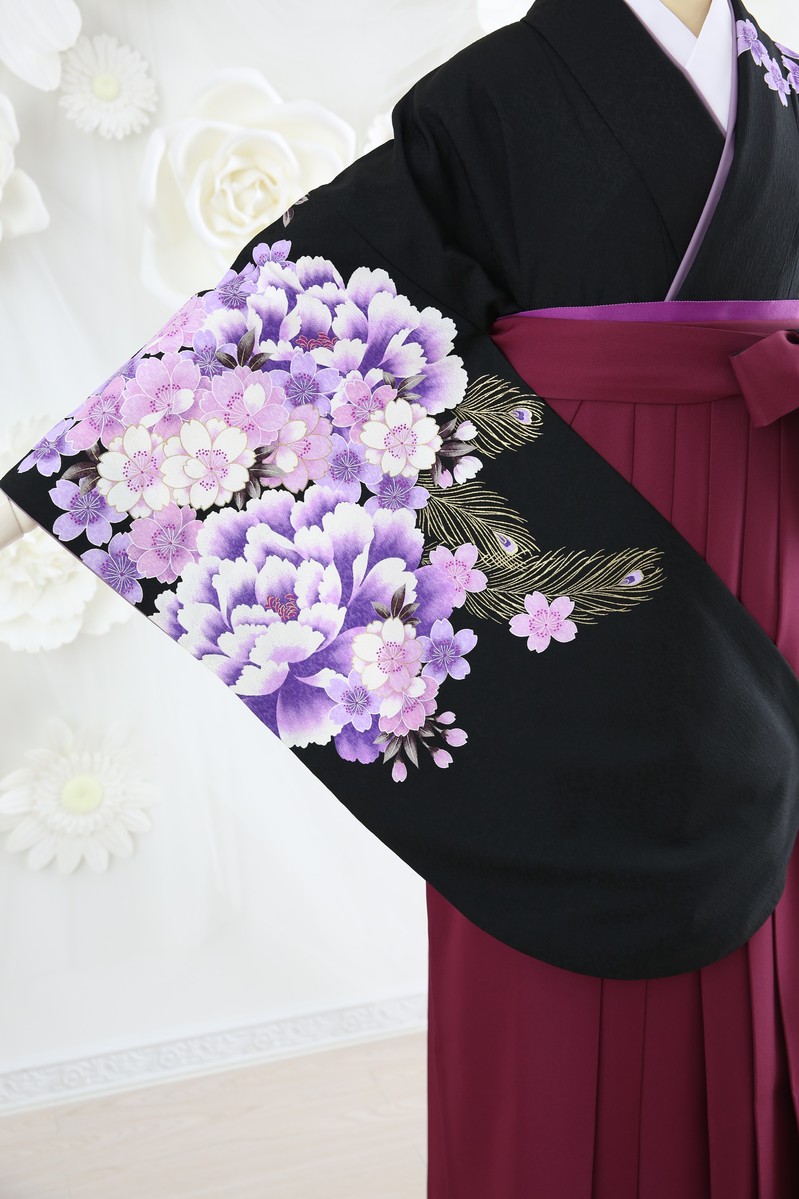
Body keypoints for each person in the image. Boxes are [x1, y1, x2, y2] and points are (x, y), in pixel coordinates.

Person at [2, 0, 798, 1194]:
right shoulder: (493, 92)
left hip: (775, 513)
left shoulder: (781, 82)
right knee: (572, 841)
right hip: (590, 511)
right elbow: (313, 322)